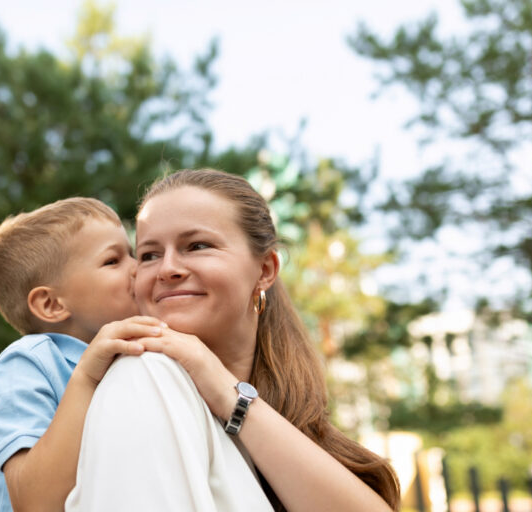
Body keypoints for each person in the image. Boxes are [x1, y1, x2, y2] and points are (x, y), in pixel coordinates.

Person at [67, 169, 400, 511]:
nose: (167, 268)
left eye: (197, 245)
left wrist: (228, 394)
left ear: (266, 270)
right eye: (150, 254)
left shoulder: (294, 421)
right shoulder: (142, 374)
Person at [0, 197, 166, 512]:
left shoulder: (134, 356)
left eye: (132, 253)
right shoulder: (26, 363)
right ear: (52, 305)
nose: (138, 266)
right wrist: (86, 377)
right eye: (113, 261)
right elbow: (35, 502)